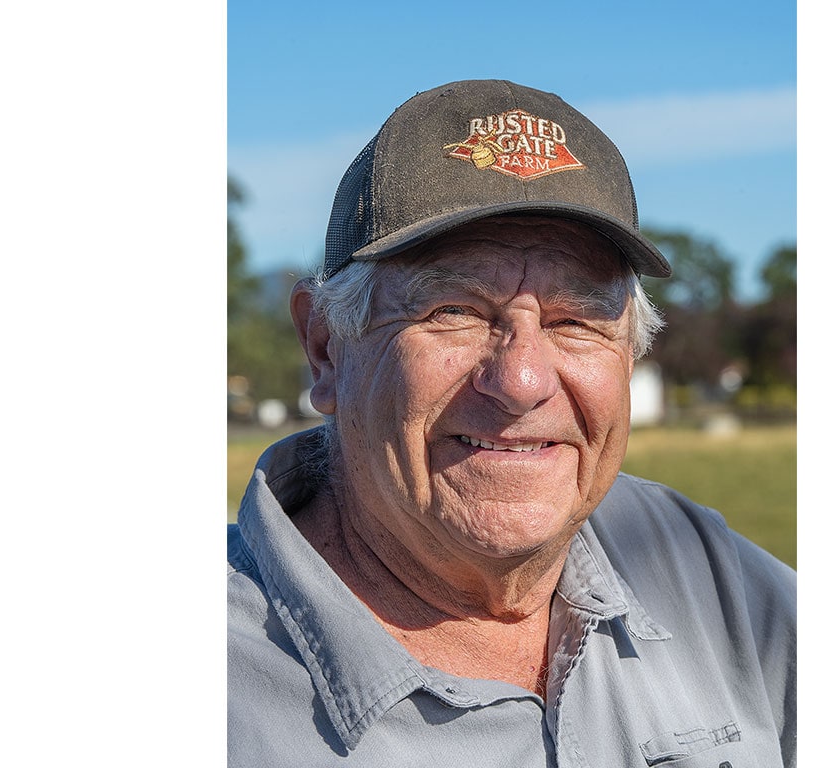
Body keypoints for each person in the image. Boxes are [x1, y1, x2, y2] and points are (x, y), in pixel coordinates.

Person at [227, 79, 796, 767]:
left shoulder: (704, 573)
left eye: (576, 321)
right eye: (454, 311)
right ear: (324, 349)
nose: (522, 381)